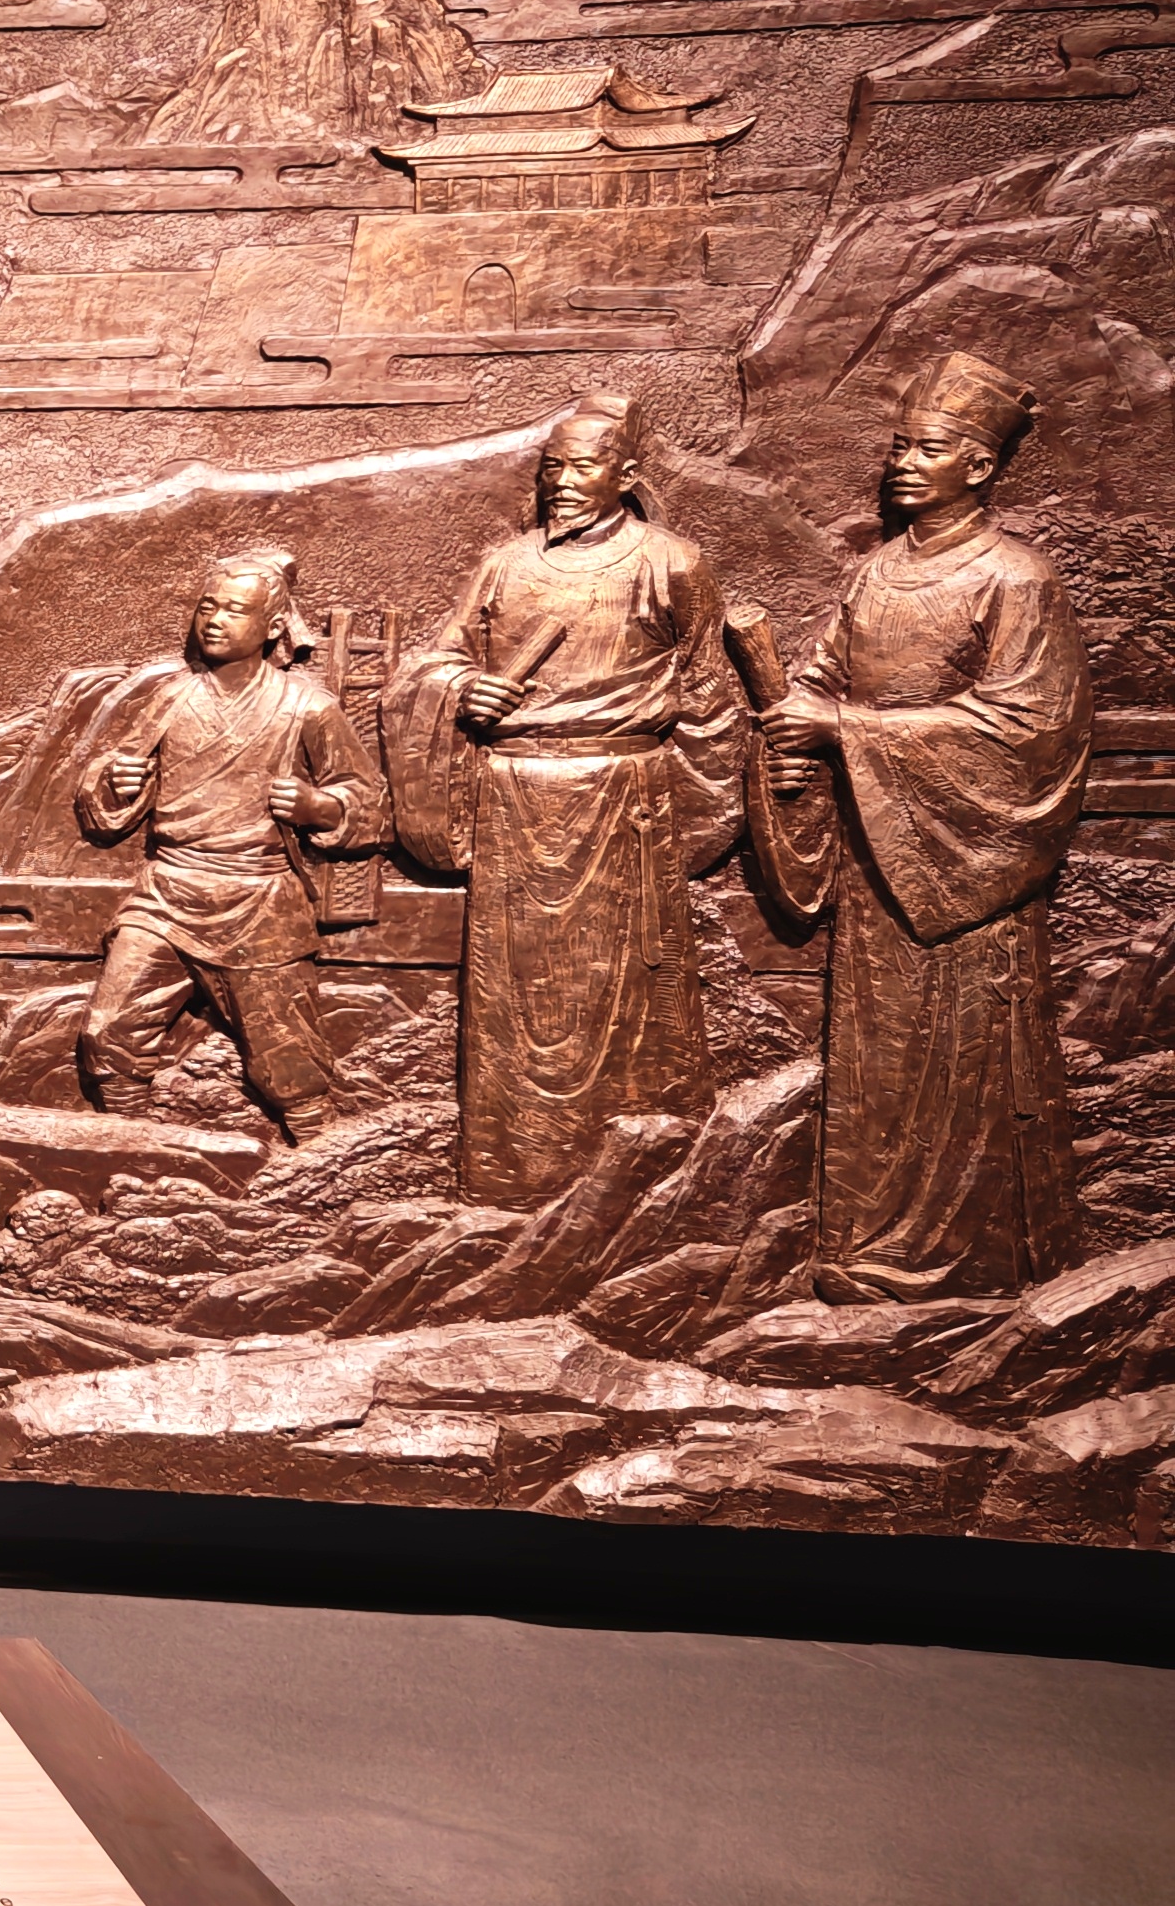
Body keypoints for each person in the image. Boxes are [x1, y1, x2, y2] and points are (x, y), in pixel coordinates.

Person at [759, 353, 1093, 1300]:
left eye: (929, 448)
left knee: (966, 1054)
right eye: (899, 445)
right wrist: (797, 731)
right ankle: (866, 1246)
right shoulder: (875, 574)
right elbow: (824, 679)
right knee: (881, 1050)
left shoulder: (1016, 579)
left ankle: (973, 1265)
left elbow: (1030, 732)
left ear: (980, 466)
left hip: (967, 867)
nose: (902, 462)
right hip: (879, 857)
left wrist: (849, 731)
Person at [385, 394, 741, 1203]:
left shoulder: (671, 562)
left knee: (633, 991)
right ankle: (515, 1181)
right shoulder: (505, 565)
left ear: (627, 475)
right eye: (553, 467)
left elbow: (709, 698)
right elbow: (437, 661)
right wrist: (461, 688)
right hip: (515, 796)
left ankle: (651, 1180)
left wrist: (692, 824)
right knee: (517, 995)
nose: (564, 482)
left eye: (584, 467)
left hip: (625, 799)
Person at [72, 546, 381, 1140]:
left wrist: (318, 806)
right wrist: (118, 782)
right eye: (206, 607)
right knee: (108, 1031)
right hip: (167, 892)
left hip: (258, 899)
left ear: (273, 626)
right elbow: (111, 797)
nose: (214, 621)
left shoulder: (309, 707)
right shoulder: (172, 698)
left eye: (234, 611)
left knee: (288, 1059)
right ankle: (130, 1145)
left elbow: (367, 801)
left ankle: (316, 1154)